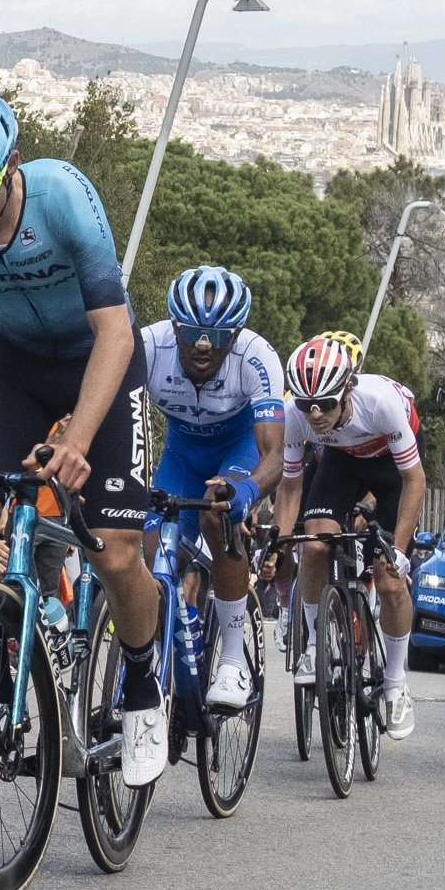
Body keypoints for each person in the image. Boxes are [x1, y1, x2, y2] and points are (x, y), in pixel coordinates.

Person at [0, 82, 168, 789]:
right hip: (17, 364)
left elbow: (113, 330)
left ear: (12, 160)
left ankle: (142, 681)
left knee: (114, 553)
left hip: (100, 361)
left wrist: (77, 437)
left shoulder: (62, 197)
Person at [141, 266, 287, 714]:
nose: (204, 345)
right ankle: (157, 644)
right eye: (192, 333)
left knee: (217, 512)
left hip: (238, 450)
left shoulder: (257, 356)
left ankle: (230, 659)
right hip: (181, 456)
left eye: (218, 336)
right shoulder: (148, 346)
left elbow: (274, 456)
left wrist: (245, 493)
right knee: (147, 552)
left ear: (237, 333)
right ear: (174, 327)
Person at [272, 335, 428, 733]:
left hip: (390, 468)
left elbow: (414, 482)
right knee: (314, 544)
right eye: (308, 406)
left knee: (390, 580)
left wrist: (401, 551)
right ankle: (313, 643)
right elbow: (290, 487)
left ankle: (395, 683)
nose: (316, 414)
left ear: (348, 389)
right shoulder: (295, 413)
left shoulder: (382, 404)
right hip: (341, 461)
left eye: (325, 403)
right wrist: (279, 541)